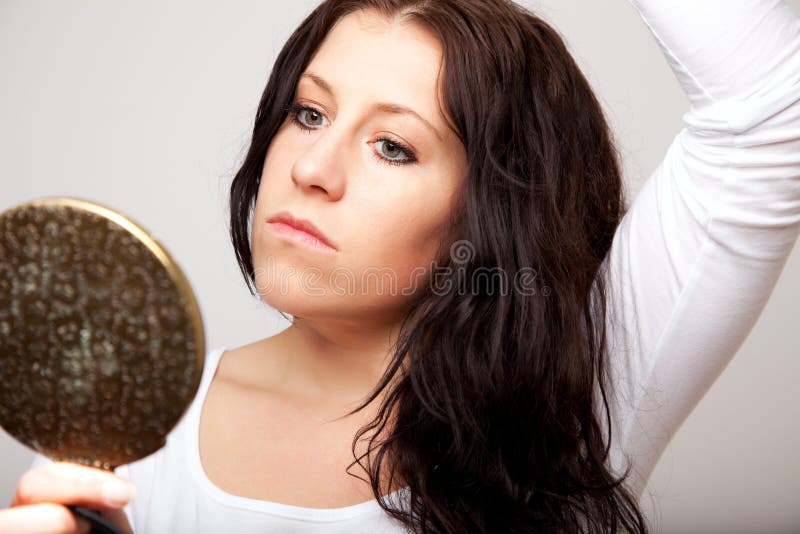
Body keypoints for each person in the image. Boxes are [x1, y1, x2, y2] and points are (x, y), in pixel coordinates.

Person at [5, 0, 800, 531]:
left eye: (393, 145)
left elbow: (771, 105)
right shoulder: (120, 428)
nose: (313, 166)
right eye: (309, 112)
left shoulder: (574, 398)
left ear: (489, 212)